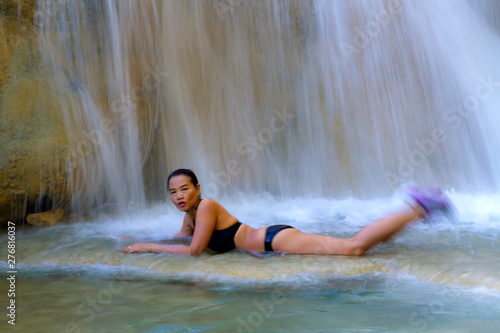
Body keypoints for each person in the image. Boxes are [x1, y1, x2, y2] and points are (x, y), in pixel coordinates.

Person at [122, 169, 454, 256]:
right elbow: (180, 240)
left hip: (271, 241)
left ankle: (417, 206)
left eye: (184, 189)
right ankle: (414, 213)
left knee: (352, 248)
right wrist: (136, 239)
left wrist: (149, 249)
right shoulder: (192, 214)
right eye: (172, 192)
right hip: (268, 243)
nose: (179, 196)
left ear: (197, 189)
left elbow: (193, 252)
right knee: (350, 246)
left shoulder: (206, 207)